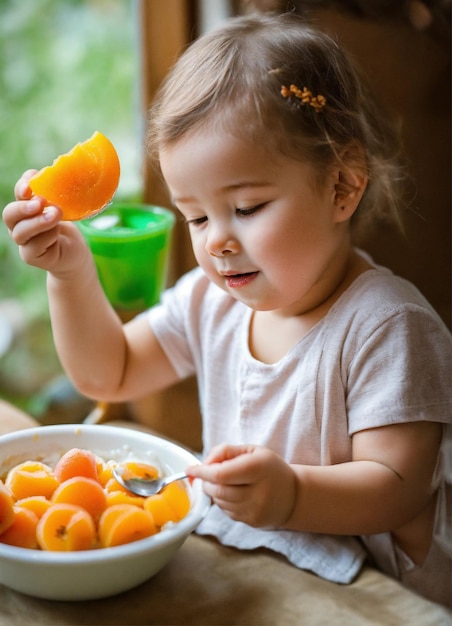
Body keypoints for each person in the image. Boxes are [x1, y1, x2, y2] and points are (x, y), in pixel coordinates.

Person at [3, 13, 451, 607]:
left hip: (375, 593)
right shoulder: (210, 300)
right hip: (266, 571)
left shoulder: (388, 326)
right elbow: (106, 372)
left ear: (342, 186)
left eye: (247, 206)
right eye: (196, 216)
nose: (215, 240)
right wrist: (69, 273)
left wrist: (293, 494)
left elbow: (399, 486)